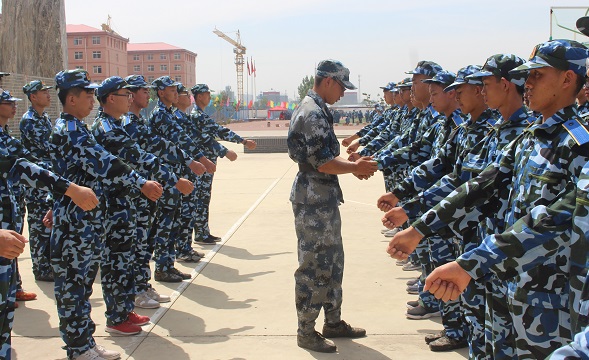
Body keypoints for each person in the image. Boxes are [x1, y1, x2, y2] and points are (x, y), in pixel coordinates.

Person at [389, 40, 589, 358]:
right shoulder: (528, 138)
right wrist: (418, 228)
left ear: (567, 79)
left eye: (538, 75)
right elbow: (477, 187)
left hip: (548, 297)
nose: (529, 83)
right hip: (503, 279)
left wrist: (471, 262)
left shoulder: (577, 143)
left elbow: (555, 220)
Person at [50, 69, 163, 360]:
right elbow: (105, 162)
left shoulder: (76, 127)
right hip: (75, 223)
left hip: (83, 220)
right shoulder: (71, 130)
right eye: (87, 95)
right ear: (71, 99)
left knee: (82, 285)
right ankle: (79, 348)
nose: (92, 100)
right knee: (74, 288)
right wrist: (141, 182)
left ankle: (84, 344)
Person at [0, 87, 100, 360]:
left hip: (11, 224)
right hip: (20, 212)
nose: (10, 106)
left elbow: (21, 163)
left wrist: (62, 190)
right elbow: (20, 164)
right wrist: (68, 189)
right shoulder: (37, 123)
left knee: (4, 317)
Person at [91, 76, 194, 335]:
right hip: (113, 206)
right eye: (126, 94)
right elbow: (138, 156)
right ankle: (116, 317)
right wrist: (174, 179)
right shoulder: (107, 129)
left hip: (124, 202)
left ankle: (124, 310)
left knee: (125, 259)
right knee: (116, 263)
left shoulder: (116, 125)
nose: (130, 98)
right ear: (111, 98)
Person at [288, 59, 377, 353]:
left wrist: (352, 166)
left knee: (333, 262)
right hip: (313, 202)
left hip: (322, 199)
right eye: (341, 86)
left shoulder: (318, 109)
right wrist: (355, 167)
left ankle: (333, 321)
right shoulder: (311, 112)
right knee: (314, 265)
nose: (342, 93)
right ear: (327, 81)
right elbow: (322, 161)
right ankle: (306, 330)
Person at [123, 75, 205, 306]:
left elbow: (161, 148)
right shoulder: (132, 122)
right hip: (140, 188)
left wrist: (189, 162)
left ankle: (146, 282)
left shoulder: (140, 121)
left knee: (147, 238)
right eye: (141, 90)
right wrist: (191, 162)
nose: (146, 94)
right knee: (141, 240)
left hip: (152, 184)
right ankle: (142, 285)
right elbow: (158, 148)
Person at [148, 76, 214, 282]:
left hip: (176, 174)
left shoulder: (168, 113)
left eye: (177, 89)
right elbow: (179, 141)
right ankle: (162, 266)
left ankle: (168, 264)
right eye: (171, 89)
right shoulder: (161, 115)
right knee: (166, 223)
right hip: (166, 176)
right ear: (160, 92)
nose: (176, 92)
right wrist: (199, 158)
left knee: (173, 221)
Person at [189, 83, 257, 245]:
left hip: (206, 163)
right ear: (199, 96)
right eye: (206, 94)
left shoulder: (200, 115)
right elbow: (219, 132)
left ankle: (202, 231)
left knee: (204, 198)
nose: (209, 97)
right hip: (202, 163)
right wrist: (243, 141)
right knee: (201, 198)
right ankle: (200, 233)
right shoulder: (198, 116)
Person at [19, 80, 54, 282]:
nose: (48, 95)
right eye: (43, 92)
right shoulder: (30, 120)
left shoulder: (44, 118)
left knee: (47, 224)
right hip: (35, 182)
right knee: (39, 225)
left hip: (46, 178)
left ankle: (47, 264)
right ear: (33, 97)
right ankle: (41, 268)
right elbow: (49, 148)